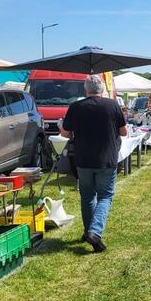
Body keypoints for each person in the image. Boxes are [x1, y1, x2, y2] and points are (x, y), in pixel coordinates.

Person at [60, 74, 127, 253]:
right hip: (107, 159)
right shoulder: (113, 105)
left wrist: (61, 126)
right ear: (103, 89)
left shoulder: (75, 107)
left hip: (83, 159)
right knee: (105, 196)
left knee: (87, 195)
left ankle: (88, 231)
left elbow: (65, 134)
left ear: (85, 90)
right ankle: (95, 232)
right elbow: (124, 131)